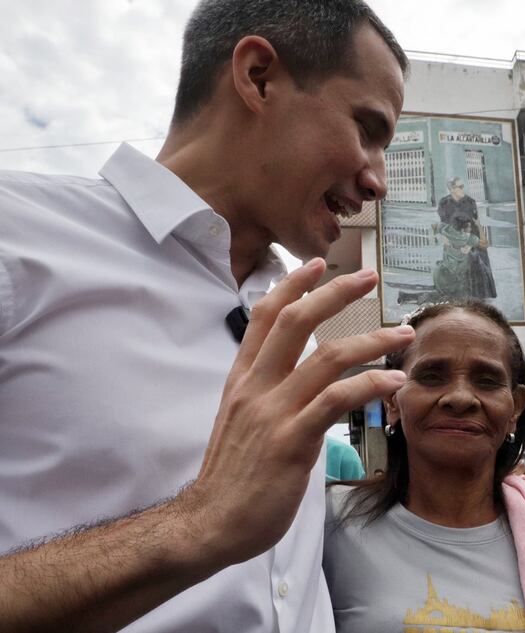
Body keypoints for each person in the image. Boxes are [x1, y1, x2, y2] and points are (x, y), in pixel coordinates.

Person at [0, 1, 410, 631]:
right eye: (367, 128)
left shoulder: (287, 318)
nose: (378, 180)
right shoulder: (17, 238)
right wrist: (199, 522)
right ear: (258, 77)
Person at [323, 301, 525, 633]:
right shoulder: (330, 521)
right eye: (431, 376)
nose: (460, 397)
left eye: (486, 381)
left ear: (515, 407)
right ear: (392, 401)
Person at [437, 178, 496, 299]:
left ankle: (480, 294)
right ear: (452, 189)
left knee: (478, 262)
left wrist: (471, 243)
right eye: (460, 186)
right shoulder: (444, 203)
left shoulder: (470, 202)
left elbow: (475, 222)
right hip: (454, 238)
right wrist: (445, 237)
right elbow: (443, 223)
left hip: (471, 236)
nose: (463, 189)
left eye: (463, 186)